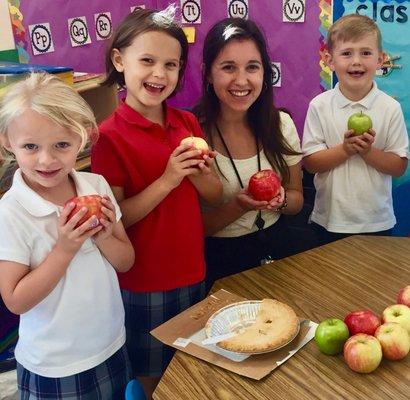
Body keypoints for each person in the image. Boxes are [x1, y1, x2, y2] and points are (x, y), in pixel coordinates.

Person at [91, 6, 222, 398]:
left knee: (190, 371)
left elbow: (214, 197)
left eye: (171, 64)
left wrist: (200, 174)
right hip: (144, 283)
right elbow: (118, 220)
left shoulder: (187, 123)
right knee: (152, 379)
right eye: (147, 60)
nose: (159, 74)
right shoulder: (108, 137)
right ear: (120, 60)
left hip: (193, 270)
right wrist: (168, 179)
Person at [0, 73, 135, 399]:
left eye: (61, 144)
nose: (46, 159)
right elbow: (16, 300)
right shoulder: (11, 211)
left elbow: (126, 261)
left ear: (83, 138)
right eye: (30, 146)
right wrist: (65, 248)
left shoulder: (96, 187)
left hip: (110, 344)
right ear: (7, 141)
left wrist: (102, 237)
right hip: (54, 364)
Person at [193, 18, 304, 291]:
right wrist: (239, 205)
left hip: (279, 254)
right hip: (220, 262)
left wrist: (280, 200)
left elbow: (297, 200)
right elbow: (194, 230)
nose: (241, 80)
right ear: (208, 73)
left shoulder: (280, 125)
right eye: (228, 67)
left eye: (252, 67)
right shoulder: (193, 136)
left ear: (264, 73)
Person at [302, 14, 409, 245]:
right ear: (330, 60)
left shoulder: (390, 108)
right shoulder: (319, 106)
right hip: (328, 220)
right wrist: (346, 150)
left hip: (376, 222)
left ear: (381, 59)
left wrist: (368, 152)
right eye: (347, 53)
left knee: (372, 282)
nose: (357, 61)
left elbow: (399, 166)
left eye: (366, 53)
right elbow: (310, 163)